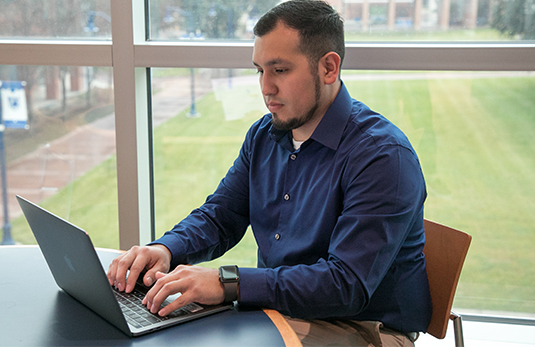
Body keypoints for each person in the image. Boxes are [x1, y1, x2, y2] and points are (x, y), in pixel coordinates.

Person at [107, 0, 432, 345]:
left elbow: (345, 285)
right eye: (260, 70)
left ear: (329, 68)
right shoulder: (264, 136)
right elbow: (221, 215)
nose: (265, 87)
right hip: (281, 312)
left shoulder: (383, 156)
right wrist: (166, 250)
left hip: (364, 327)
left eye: (280, 70)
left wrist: (227, 283)